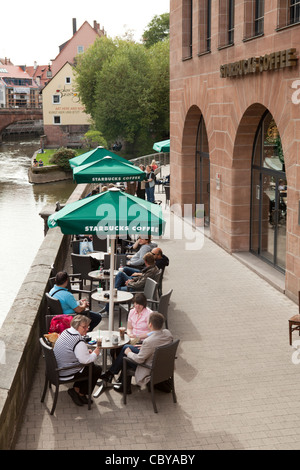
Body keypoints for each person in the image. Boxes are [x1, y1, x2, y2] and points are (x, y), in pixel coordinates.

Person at [100, 312, 173, 394]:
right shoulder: (167, 333)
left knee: (126, 356)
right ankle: (111, 375)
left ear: (150, 325)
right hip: (162, 363)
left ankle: (118, 381)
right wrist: (144, 348)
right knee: (125, 348)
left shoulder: (148, 341)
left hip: (150, 367)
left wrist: (129, 353)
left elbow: (139, 360)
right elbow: (159, 344)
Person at [54, 315, 102, 406]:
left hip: (58, 367)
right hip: (65, 372)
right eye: (84, 327)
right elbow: (86, 360)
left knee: (90, 367)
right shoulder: (78, 340)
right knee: (95, 369)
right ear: (76, 326)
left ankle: (76, 389)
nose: (87, 329)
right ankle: (82, 394)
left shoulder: (66, 331)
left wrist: (85, 351)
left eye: (87, 326)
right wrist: (95, 353)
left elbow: (71, 350)